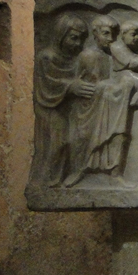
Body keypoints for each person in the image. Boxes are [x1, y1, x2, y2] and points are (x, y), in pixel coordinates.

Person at [65, 15, 138, 186]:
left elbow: (121, 76)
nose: (110, 39)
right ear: (95, 34)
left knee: (118, 136)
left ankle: (114, 173)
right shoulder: (86, 55)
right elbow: (72, 81)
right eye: (106, 34)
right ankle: (78, 172)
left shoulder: (111, 56)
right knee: (81, 137)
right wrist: (74, 86)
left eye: (113, 36)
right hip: (87, 108)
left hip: (111, 103)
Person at [31, 13, 92, 185]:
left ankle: (58, 181)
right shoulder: (47, 57)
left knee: (73, 142)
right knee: (58, 144)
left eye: (81, 39)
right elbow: (46, 86)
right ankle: (47, 182)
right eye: (73, 38)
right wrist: (70, 87)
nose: (77, 44)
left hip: (70, 109)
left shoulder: (77, 58)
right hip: (50, 108)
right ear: (61, 35)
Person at [111, 21, 138, 117]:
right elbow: (129, 62)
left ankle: (137, 101)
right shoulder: (116, 47)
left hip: (129, 74)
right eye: (133, 35)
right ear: (123, 34)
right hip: (120, 75)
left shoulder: (133, 48)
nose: (136, 38)